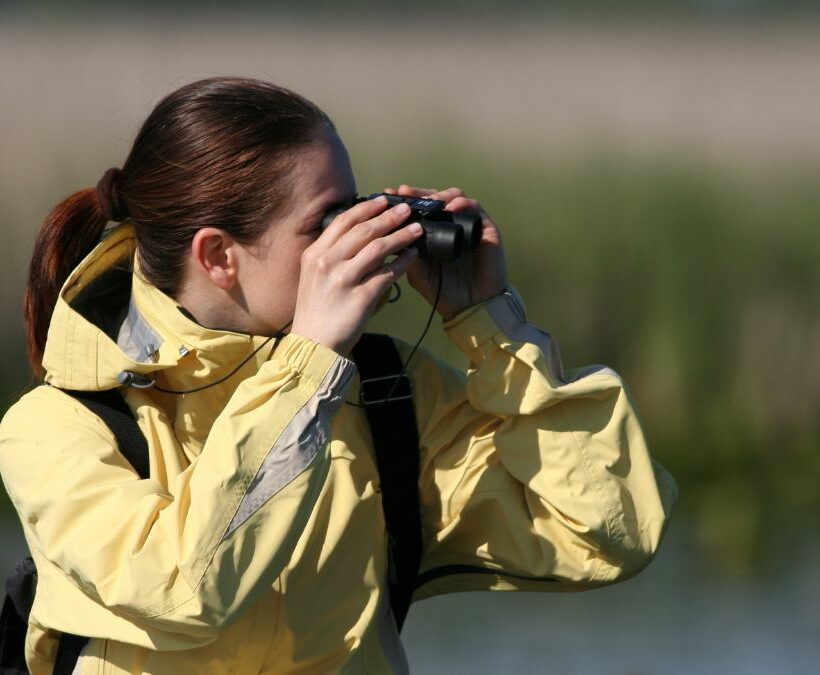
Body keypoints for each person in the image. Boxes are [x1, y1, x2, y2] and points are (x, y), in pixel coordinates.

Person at [0, 76, 676, 675]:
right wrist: (308, 365)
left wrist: (490, 323)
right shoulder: (59, 427)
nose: (359, 238)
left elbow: (605, 533)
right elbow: (183, 587)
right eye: (327, 223)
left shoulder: (380, 391)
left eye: (360, 207)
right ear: (219, 257)